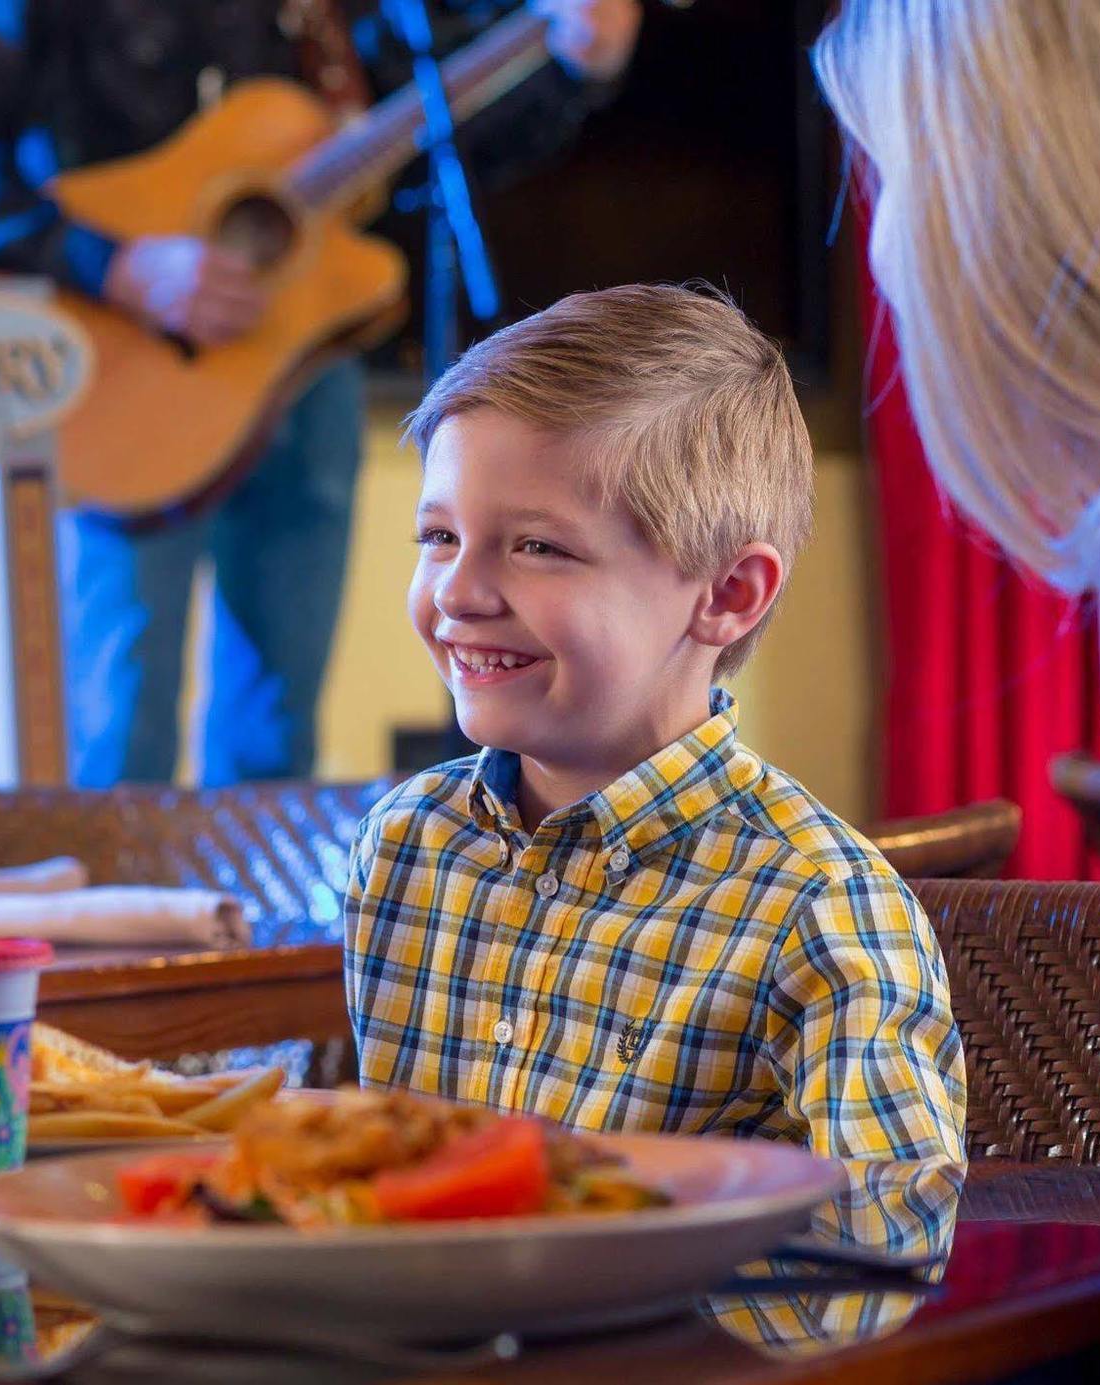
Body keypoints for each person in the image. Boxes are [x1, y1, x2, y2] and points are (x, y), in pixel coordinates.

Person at [345, 285, 967, 1260]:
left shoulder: (818, 908)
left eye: (537, 546)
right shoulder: (407, 844)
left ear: (725, 594)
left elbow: (878, 1253)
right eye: (437, 536)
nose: (457, 591)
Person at [0, 0, 642, 787]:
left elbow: (428, 139)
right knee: (120, 724)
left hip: (306, 363)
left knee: (280, 731)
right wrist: (116, 264)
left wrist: (570, 68)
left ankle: (247, 910)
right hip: (124, 377)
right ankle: (102, 913)